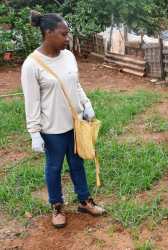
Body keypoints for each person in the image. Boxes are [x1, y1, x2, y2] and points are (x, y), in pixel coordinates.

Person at [21, 11, 105, 228]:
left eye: (67, 34)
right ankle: (57, 206)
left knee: (77, 164)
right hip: (52, 129)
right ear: (48, 33)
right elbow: (32, 102)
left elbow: (75, 85)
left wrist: (86, 104)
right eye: (63, 34)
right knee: (54, 168)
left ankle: (85, 200)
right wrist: (34, 133)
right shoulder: (32, 64)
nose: (67, 38)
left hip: (75, 123)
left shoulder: (68, 56)